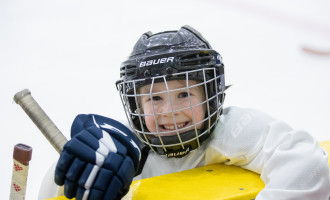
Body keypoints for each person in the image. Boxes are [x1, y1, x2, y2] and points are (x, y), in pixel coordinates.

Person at [39, 25, 330, 200]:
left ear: (212, 95)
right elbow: (53, 192)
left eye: (184, 94)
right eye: (154, 97)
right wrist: (66, 171)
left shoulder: (232, 130)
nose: (169, 111)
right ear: (135, 105)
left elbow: (306, 163)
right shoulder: (122, 150)